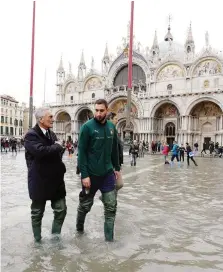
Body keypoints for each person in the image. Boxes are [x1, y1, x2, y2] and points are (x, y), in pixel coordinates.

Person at [76, 99, 120, 242]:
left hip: (108, 174)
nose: (98, 113)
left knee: (111, 207)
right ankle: (79, 231)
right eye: (96, 110)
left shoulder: (112, 127)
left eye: (101, 110)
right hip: (91, 175)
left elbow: (114, 150)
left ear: (107, 110)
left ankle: (109, 242)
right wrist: (84, 175)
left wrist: (117, 168)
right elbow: (81, 153)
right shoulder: (87, 127)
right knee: (85, 207)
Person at [24, 107, 67, 242]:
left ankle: (55, 239)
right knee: (37, 213)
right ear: (41, 119)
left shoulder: (51, 134)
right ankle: (37, 241)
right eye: (50, 117)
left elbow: (55, 152)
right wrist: (57, 147)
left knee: (61, 210)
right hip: (39, 180)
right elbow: (40, 151)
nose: (53, 119)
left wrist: (58, 149)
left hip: (56, 179)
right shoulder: (31, 135)